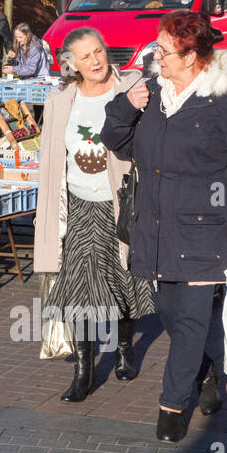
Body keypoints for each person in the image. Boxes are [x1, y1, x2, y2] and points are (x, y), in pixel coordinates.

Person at [103, 10, 227, 444]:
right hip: (156, 225)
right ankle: (210, 364)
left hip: (206, 228)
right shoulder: (151, 92)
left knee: (191, 319)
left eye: (164, 50)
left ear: (191, 54)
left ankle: (172, 406)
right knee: (171, 312)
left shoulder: (225, 98)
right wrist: (125, 105)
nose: (157, 57)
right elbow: (114, 140)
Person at [35, 28, 155, 405]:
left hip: (120, 203)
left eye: (99, 51)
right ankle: (83, 372)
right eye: (85, 56)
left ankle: (124, 348)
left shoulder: (132, 86)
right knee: (79, 289)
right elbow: (51, 158)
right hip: (79, 206)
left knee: (122, 281)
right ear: (71, 63)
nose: (95, 60)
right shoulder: (60, 99)